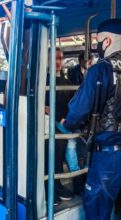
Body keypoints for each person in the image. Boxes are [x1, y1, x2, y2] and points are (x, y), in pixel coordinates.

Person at [62, 18, 121, 219]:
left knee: (97, 209)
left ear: (105, 42)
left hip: (108, 155)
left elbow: (77, 113)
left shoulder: (100, 70)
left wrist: (69, 124)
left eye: (98, 41)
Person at [45, 47, 74, 205]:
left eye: (60, 58)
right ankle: (48, 186)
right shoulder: (41, 80)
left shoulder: (67, 81)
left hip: (62, 124)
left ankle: (56, 184)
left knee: (61, 147)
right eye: (54, 58)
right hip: (45, 125)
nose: (57, 62)